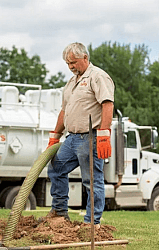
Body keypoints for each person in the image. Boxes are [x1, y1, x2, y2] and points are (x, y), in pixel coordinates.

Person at [46, 42, 114, 226]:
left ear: (85, 58)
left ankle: (92, 223)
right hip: (72, 138)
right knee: (55, 169)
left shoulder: (98, 76)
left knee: (91, 180)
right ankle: (60, 212)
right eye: (68, 64)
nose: (71, 67)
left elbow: (107, 104)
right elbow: (64, 110)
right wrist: (55, 135)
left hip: (90, 138)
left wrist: (104, 134)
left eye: (74, 62)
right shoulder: (71, 82)